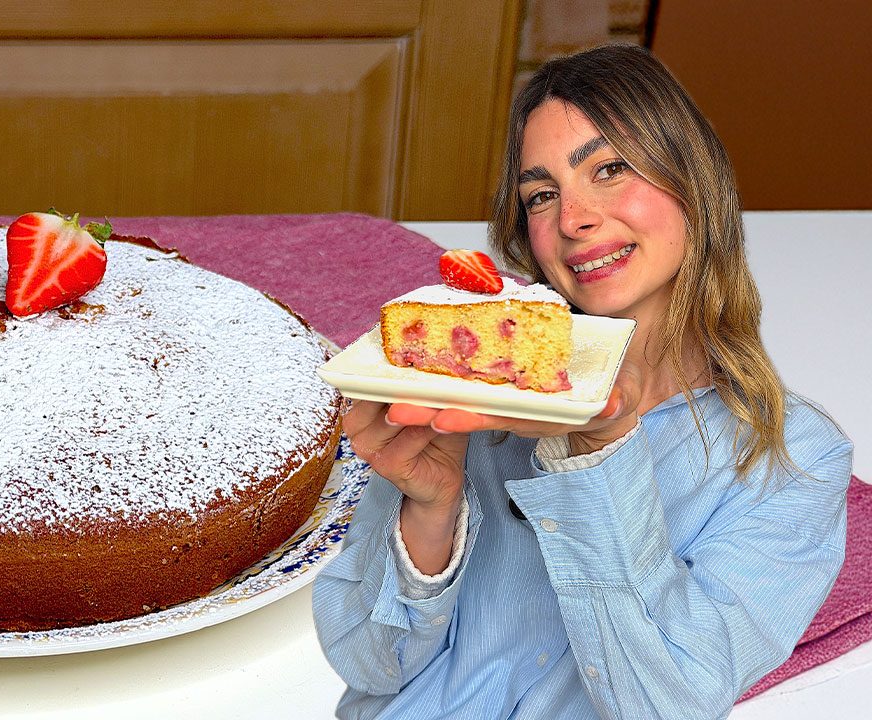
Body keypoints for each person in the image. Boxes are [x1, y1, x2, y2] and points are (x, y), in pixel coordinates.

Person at [312, 43, 852, 720]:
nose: (573, 220)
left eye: (610, 168)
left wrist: (601, 451)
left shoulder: (794, 460)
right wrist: (428, 511)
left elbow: (662, 704)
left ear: (694, 180)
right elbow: (366, 665)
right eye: (542, 195)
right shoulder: (475, 395)